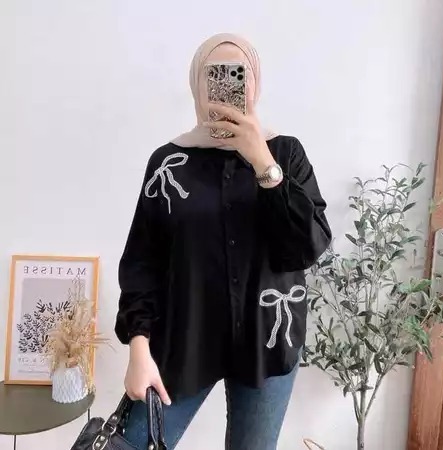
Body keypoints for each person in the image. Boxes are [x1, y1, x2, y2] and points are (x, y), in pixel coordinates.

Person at [115, 33, 332, 450]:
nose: (227, 84)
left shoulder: (285, 154)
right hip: (185, 339)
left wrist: (263, 162)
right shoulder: (168, 162)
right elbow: (142, 261)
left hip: (267, 344)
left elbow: (307, 246)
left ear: (255, 84)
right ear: (196, 85)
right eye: (215, 74)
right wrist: (138, 349)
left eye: (238, 74)